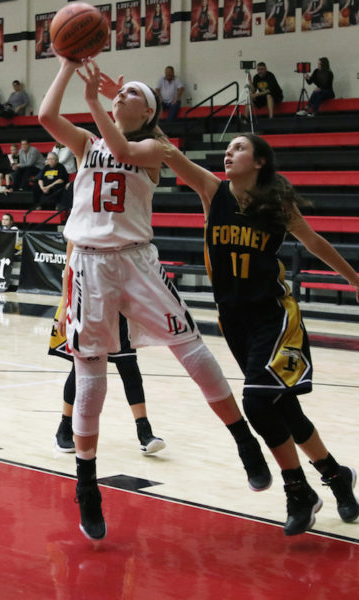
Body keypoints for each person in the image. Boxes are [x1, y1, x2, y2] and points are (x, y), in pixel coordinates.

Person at [38, 58, 270, 541]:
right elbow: (45, 116)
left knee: (189, 345)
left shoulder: (154, 147)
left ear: (149, 113)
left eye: (132, 96)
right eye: (120, 95)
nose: (121, 99)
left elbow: (121, 146)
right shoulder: (85, 144)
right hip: (90, 264)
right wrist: (65, 65)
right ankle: (87, 484)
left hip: (137, 260)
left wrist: (93, 102)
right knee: (90, 373)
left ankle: (243, 439)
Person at [161, 132, 359, 536]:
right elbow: (169, 151)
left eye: (239, 148)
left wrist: (355, 280)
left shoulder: (277, 204)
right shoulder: (212, 191)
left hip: (274, 315)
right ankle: (335, 475)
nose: (229, 153)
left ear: (260, 161)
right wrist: (147, 120)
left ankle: (298, 491)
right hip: (234, 319)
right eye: (227, 149)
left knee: (258, 403)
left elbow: (313, 241)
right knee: (282, 409)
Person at [51, 241, 166, 455]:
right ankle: (64, 429)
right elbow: (69, 268)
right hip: (89, 303)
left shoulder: (123, 227)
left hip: (120, 304)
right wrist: (65, 306)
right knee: (81, 370)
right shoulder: (81, 227)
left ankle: (144, 432)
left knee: (129, 365)